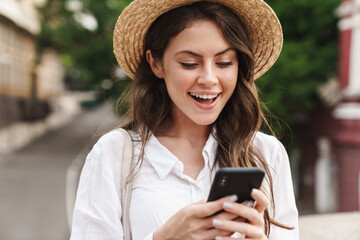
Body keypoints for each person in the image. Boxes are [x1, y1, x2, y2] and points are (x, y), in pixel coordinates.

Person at [70, 0, 299, 239]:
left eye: (224, 63)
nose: (209, 79)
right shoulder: (113, 154)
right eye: (189, 63)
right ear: (156, 63)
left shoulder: (267, 154)